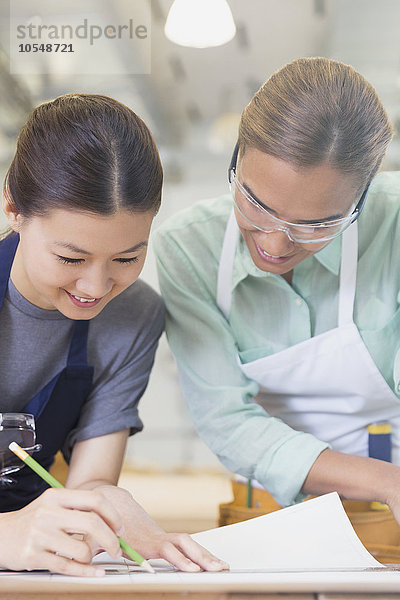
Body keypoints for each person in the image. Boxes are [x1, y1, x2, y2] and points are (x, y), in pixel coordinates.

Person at [154, 57, 400, 527]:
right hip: (273, 506)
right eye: (256, 205)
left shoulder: (394, 225)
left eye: (316, 225)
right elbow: (226, 418)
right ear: (236, 159)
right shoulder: (189, 248)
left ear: (363, 196)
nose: (274, 244)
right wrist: (386, 481)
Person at [0, 93, 227, 576]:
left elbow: (91, 482)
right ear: (13, 207)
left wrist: (111, 504)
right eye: (71, 258)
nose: (95, 287)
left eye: (126, 259)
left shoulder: (135, 316)